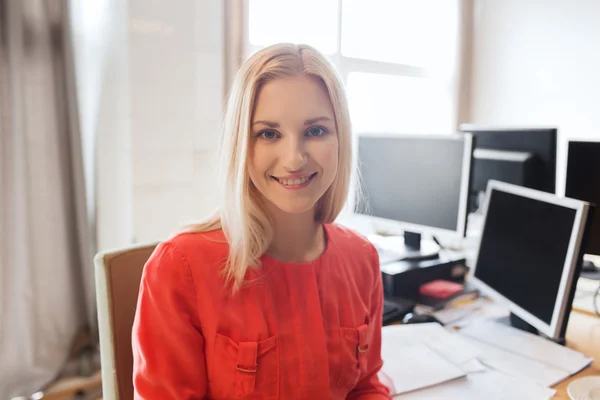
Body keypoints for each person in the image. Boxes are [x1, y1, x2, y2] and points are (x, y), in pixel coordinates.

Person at [132, 43, 391, 399]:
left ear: (341, 139)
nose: (294, 158)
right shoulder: (179, 269)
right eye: (269, 134)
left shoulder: (362, 258)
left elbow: (366, 386)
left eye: (315, 131)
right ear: (242, 143)